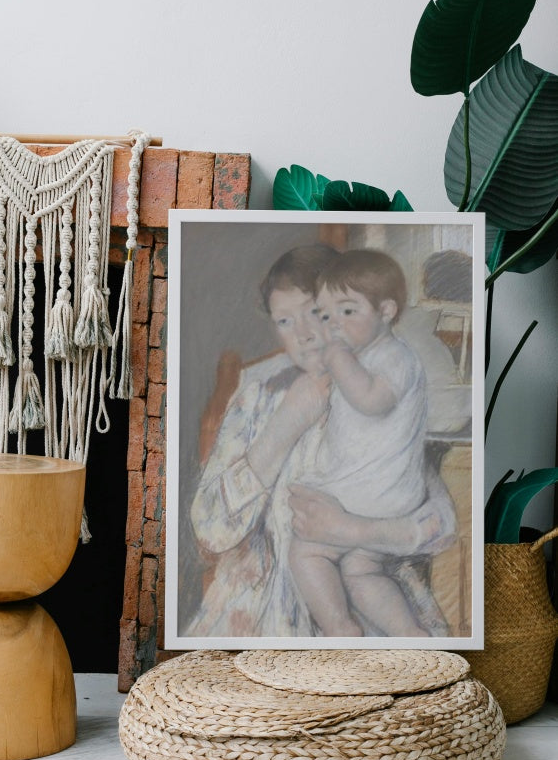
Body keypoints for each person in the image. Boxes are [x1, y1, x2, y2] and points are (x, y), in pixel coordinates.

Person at [185, 243, 455, 639]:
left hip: (368, 601)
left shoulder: (381, 383)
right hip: (263, 614)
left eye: (314, 313)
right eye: (284, 321)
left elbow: (442, 524)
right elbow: (209, 530)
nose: (306, 335)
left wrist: (353, 530)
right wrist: (285, 424)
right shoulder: (258, 394)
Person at [288, 249, 432, 637]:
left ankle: (338, 626)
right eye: (326, 314)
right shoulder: (369, 354)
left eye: (348, 311)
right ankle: (408, 634)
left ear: (386, 311)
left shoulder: (395, 356)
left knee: (306, 549)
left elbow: (371, 400)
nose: (334, 324)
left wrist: (336, 356)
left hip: (373, 493)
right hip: (387, 494)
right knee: (361, 569)